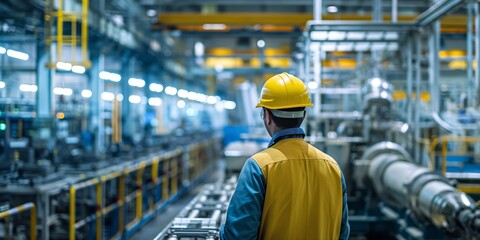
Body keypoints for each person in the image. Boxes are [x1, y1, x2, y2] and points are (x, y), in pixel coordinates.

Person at [219, 72, 350, 240]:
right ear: (303, 115)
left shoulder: (258, 167)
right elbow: (342, 233)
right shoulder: (333, 167)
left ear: (266, 116)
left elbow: (238, 235)